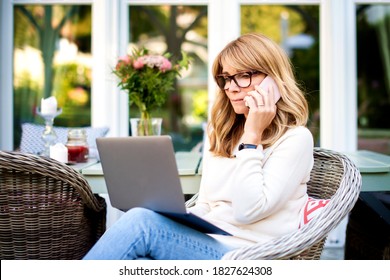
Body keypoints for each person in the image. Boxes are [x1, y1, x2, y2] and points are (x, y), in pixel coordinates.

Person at [83, 32, 313, 260]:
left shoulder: (296, 139)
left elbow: (247, 212)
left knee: (141, 224)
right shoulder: (223, 131)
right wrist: (178, 217)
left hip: (248, 254)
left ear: (273, 79)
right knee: (140, 238)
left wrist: (252, 137)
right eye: (226, 78)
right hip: (207, 242)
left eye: (243, 75)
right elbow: (207, 203)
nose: (231, 88)